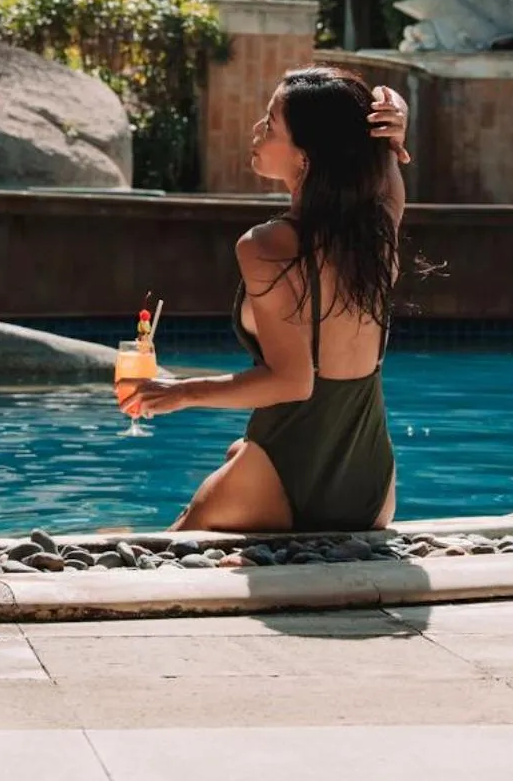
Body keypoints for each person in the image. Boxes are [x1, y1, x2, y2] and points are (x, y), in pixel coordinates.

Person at [125, 69, 407, 532]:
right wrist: (395, 121)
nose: (258, 130)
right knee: (236, 452)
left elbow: (292, 382)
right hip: (371, 487)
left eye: (271, 124)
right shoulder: (379, 230)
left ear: (305, 157)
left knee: (164, 552)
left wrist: (180, 393)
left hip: (293, 469)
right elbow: (386, 143)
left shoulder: (266, 245)